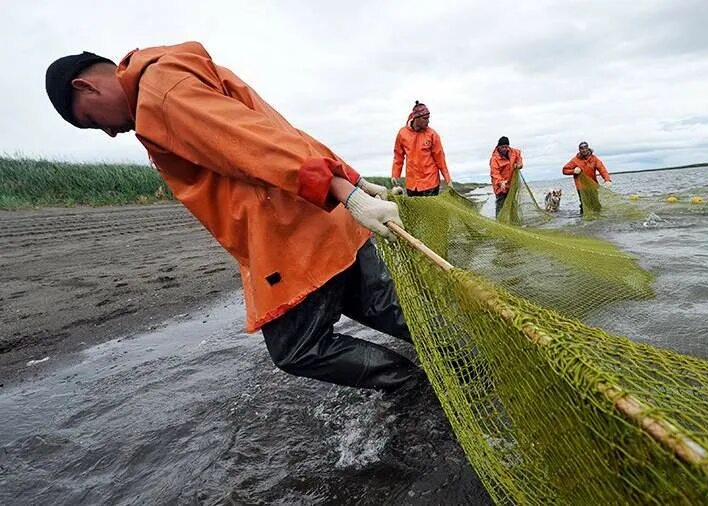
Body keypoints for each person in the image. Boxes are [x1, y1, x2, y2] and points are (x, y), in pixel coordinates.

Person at [45, 42, 424, 393]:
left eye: (93, 122)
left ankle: (411, 385)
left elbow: (255, 144)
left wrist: (345, 191)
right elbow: (281, 132)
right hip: (326, 219)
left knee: (297, 348)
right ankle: (466, 362)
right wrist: (350, 181)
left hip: (291, 235)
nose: (109, 132)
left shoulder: (158, 95)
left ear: (86, 87)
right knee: (387, 309)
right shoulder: (173, 75)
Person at [391, 101, 452, 196]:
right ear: (416, 118)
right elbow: (398, 156)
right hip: (411, 184)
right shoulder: (402, 133)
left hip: (430, 182)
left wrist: (448, 180)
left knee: (430, 210)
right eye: (425, 119)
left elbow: (440, 159)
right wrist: (395, 175)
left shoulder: (432, 134)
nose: (428, 121)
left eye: (428, 118)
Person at [562, 141, 611, 214]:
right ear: (579, 150)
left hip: (593, 186)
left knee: (596, 204)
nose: (584, 150)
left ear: (588, 148)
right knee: (584, 205)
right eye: (582, 148)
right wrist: (573, 171)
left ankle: (598, 221)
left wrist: (607, 180)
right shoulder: (575, 160)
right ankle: (583, 221)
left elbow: (602, 169)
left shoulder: (594, 159)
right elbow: (564, 170)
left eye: (585, 148)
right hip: (581, 187)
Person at [489, 136, 523, 217]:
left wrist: (519, 164)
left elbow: (519, 157)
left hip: (511, 185)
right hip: (500, 187)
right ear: (498, 147)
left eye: (506, 147)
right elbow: (495, 173)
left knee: (512, 204)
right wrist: (501, 182)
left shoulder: (513, 152)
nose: (504, 149)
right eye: (502, 147)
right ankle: (499, 223)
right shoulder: (494, 159)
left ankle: (513, 222)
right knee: (501, 206)